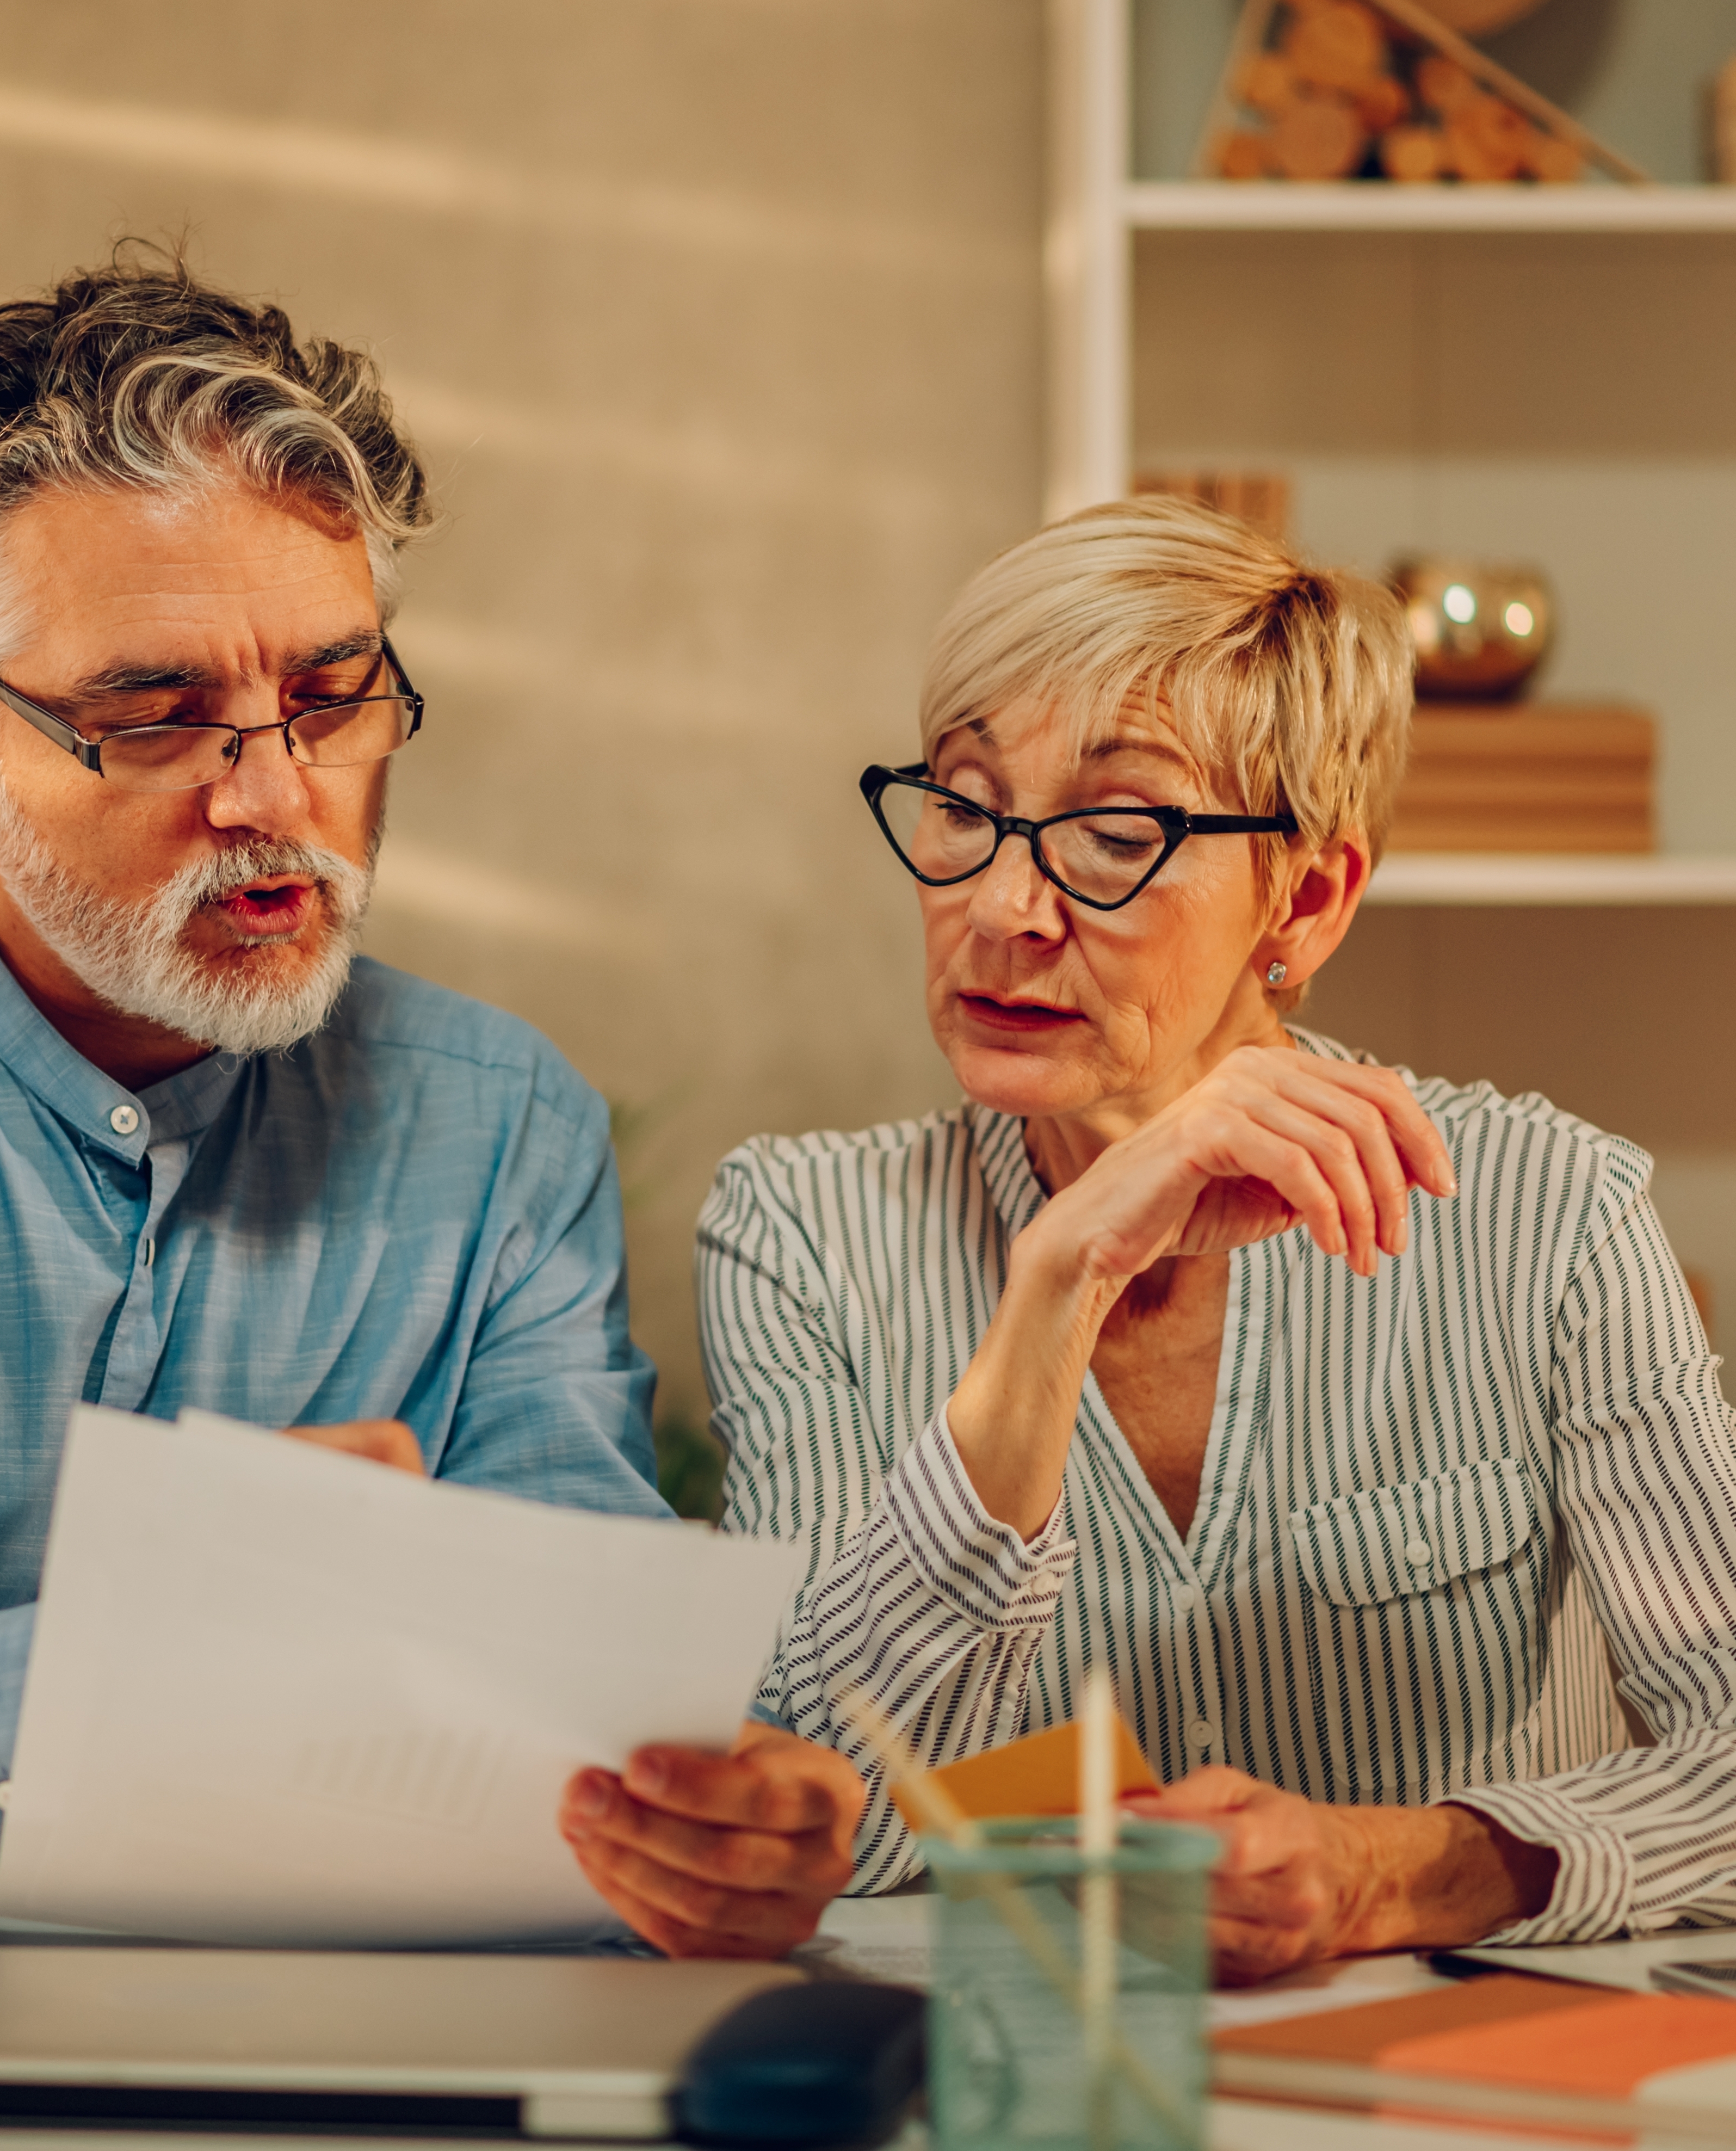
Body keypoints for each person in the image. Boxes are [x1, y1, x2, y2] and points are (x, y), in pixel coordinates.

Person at [0, 254, 858, 1949]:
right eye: (157, 717)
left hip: (349, 2047)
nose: (274, 796)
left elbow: (578, 1751)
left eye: (331, 696)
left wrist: (699, 1829)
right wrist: (109, 1670)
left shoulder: (500, 1131)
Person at [692, 497, 1736, 1980]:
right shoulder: (801, 1235)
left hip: (1443, 2072)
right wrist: (1056, 1283)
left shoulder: (1543, 1215)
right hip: (1029, 2068)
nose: (1002, 907)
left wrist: (1390, 1872)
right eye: (965, 805)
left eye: (1118, 835)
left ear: (1305, 898)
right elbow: (812, 1817)